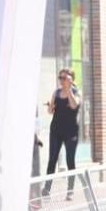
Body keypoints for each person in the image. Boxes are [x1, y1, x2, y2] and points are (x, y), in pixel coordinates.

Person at [42, 68, 81, 200]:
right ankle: (46, 189)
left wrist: (69, 90)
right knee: (52, 159)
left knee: (70, 161)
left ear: (71, 79)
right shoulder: (56, 93)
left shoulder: (76, 92)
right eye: (60, 78)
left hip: (71, 132)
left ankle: (70, 190)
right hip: (56, 130)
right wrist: (51, 107)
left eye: (64, 78)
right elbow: (50, 110)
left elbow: (74, 105)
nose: (62, 80)